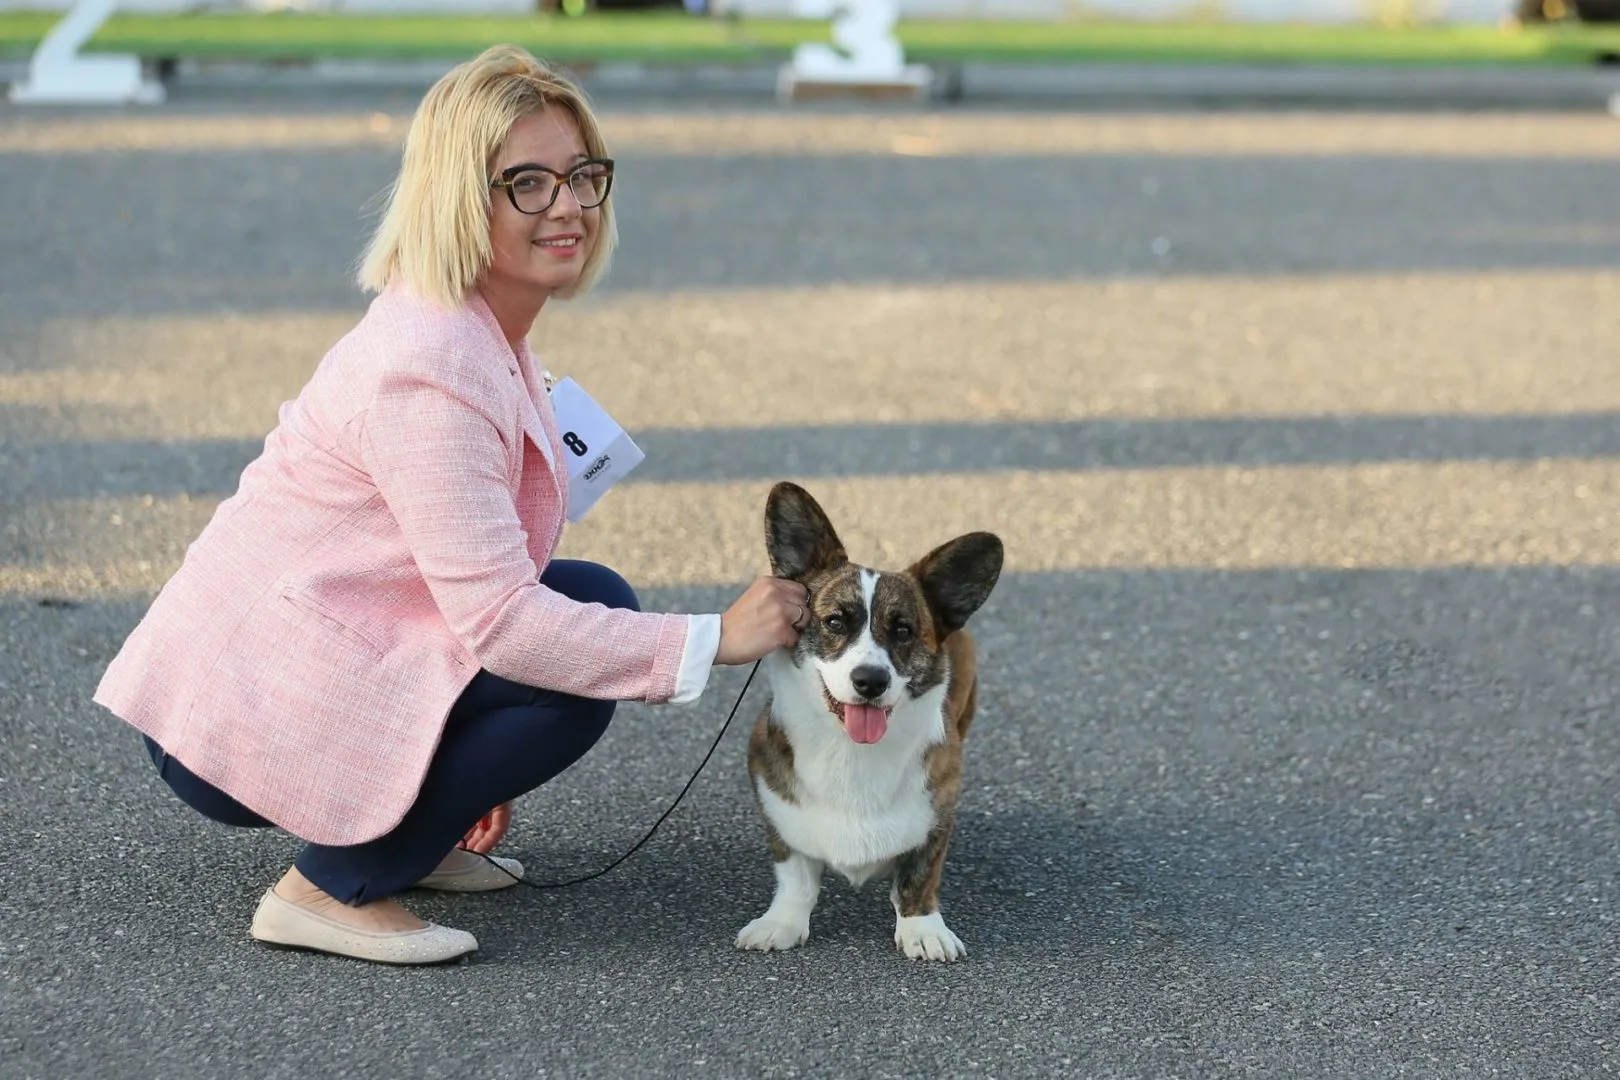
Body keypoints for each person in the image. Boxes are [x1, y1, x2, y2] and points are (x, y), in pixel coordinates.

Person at [92, 44, 808, 966]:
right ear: (459, 200)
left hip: (309, 651)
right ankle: (330, 887)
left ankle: (409, 835)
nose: (569, 205)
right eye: (528, 184)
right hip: (237, 710)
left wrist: (469, 768)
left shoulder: (474, 323)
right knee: (571, 676)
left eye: (583, 175)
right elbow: (505, 625)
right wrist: (713, 638)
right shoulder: (428, 368)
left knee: (591, 594)